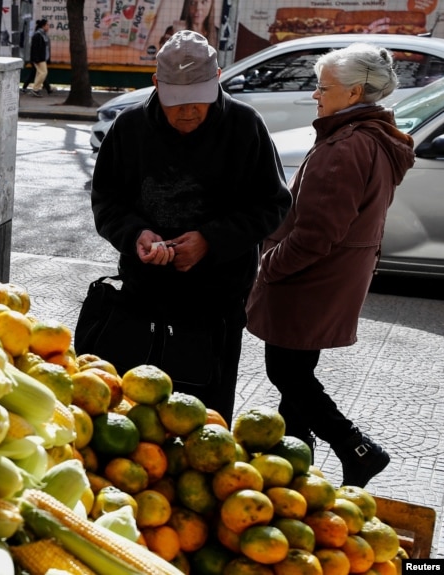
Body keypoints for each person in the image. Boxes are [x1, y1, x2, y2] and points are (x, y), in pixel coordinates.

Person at [90, 30, 291, 422]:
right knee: (135, 415)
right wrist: (135, 236)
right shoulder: (129, 128)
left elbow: (273, 204)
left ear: (217, 78)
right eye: (177, 102)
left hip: (215, 304)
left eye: (198, 100)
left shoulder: (245, 126)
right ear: (156, 85)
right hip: (141, 296)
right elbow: (106, 203)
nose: (187, 112)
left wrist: (210, 242)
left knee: (204, 418)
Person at [245, 43, 414, 488]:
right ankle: (294, 466)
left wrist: (270, 266)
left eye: (323, 87)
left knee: (288, 374)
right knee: (295, 375)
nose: (316, 95)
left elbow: (316, 234)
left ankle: (358, 450)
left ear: (355, 92)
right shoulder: (370, 138)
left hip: (309, 282)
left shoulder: (346, 147)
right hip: (330, 280)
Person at [27, 19, 51, 97]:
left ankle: (35, 89)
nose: (48, 27)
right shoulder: (38, 35)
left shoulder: (42, 35)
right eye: (47, 25)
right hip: (39, 58)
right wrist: (36, 58)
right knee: (43, 73)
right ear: (43, 26)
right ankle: (35, 89)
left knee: (39, 73)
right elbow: (35, 48)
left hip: (42, 57)